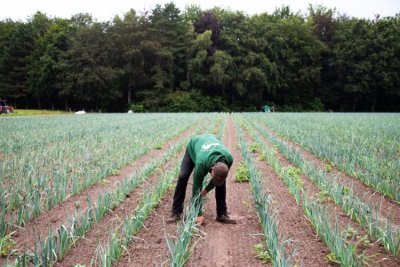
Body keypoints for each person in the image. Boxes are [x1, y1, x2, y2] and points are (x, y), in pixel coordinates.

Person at [168, 134, 236, 224]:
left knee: (221, 182)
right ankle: (176, 212)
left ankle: (222, 214)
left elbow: (219, 179)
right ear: (212, 169)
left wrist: (206, 190)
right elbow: (196, 188)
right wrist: (198, 214)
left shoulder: (229, 158)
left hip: (210, 141)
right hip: (194, 146)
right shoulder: (201, 163)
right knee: (183, 176)